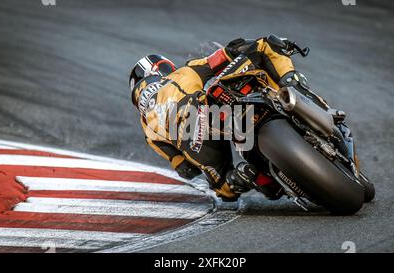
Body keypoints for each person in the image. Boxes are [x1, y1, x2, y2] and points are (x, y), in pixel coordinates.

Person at [129, 35, 311, 201]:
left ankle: (247, 178)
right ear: (161, 68)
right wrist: (238, 48)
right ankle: (293, 87)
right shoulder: (181, 73)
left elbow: (185, 169)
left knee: (226, 189)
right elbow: (220, 57)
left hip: (195, 144)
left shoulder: (147, 127)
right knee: (265, 45)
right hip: (202, 109)